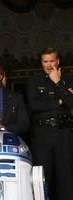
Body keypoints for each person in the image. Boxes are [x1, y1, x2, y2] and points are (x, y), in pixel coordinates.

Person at [26, 47, 73, 200]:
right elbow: (34, 106)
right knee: (42, 177)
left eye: (51, 61)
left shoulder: (68, 79)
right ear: (41, 62)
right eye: (45, 61)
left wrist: (58, 82)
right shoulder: (34, 81)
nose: (48, 65)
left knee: (66, 177)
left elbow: (71, 102)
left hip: (64, 133)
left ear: (58, 61)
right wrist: (60, 101)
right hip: (43, 135)